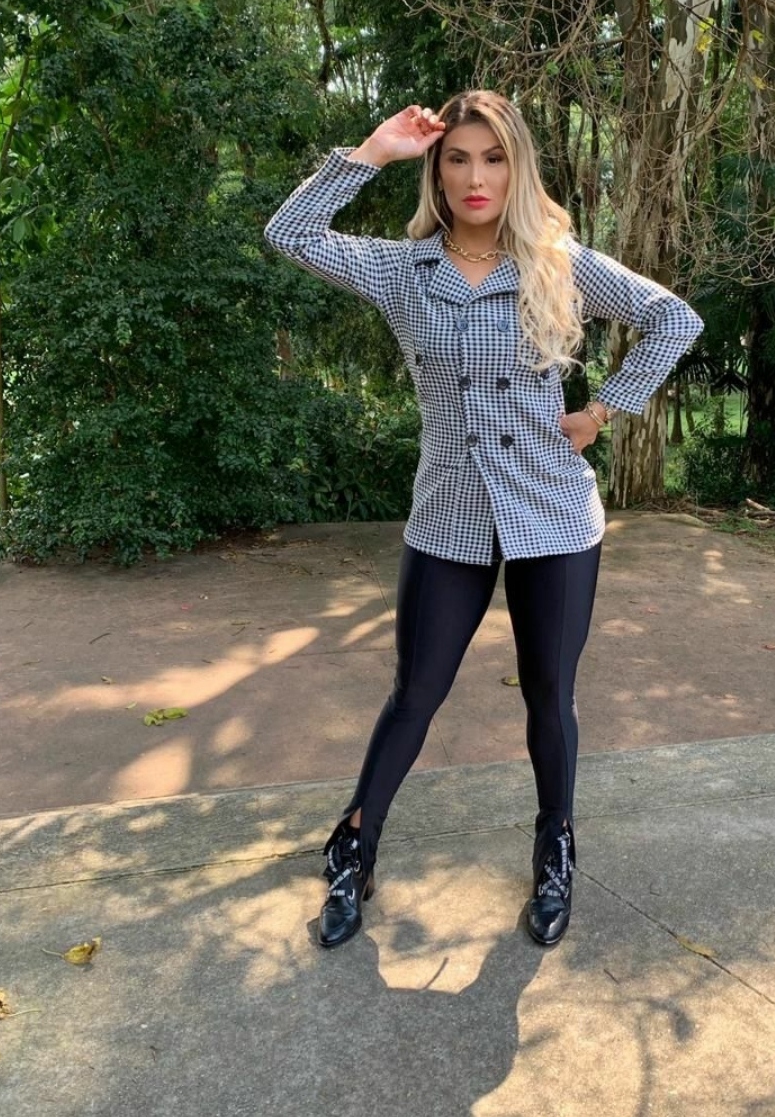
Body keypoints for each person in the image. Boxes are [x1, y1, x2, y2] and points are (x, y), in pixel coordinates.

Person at [264, 91, 703, 949]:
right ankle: (354, 845)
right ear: (436, 171)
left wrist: (602, 411)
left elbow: (672, 318)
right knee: (416, 692)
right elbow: (291, 233)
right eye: (457, 158)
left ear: (517, 169)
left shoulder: (557, 264)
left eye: (494, 158)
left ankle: (555, 848)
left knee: (550, 695)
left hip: (553, 511)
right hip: (450, 511)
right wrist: (373, 152)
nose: (476, 176)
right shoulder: (403, 270)